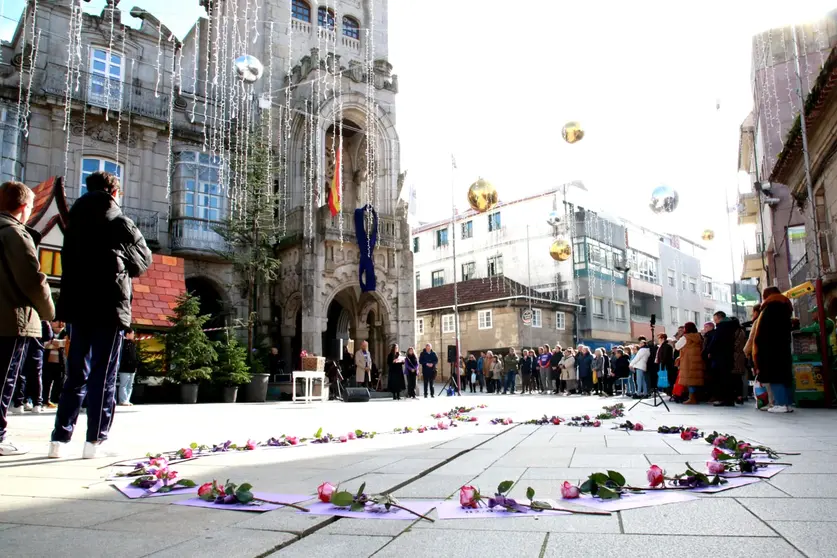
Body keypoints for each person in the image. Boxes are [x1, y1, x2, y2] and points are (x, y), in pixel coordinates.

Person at [49, 171, 151, 459]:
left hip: (78, 306)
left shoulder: (73, 222)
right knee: (104, 375)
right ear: (115, 192)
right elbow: (144, 260)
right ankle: (95, 441)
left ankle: (59, 439)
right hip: (109, 305)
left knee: (75, 373)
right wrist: (120, 258)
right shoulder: (119, 221)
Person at [0, 182, 56, 456]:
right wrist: (49, 313)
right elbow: (32, 279)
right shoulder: (14, 233)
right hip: (11, 319)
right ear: (24, 208)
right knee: (5, 379)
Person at [752, 286, 794, 413]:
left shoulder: (770, 308)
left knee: (775, 375)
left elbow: (764, 332)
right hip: (782, 347)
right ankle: (786, 403)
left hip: (771, 349)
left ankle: (780, 403)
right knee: (784, 376)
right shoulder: (784, 306)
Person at [11, 320, 53, 414]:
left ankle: (19, 403)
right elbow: (49, 336)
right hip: (37, 349)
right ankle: (37, 403)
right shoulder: (42, 320)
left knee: (21, 375)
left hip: (23, 347)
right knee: (37, 376)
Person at [703, 311, 737, 407]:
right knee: (727, 378)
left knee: (722, 378)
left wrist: (709, 351)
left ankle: (725, 399)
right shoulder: (731, 326)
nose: (715, 322)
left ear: (720, 318)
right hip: (728, 356)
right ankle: (729, 399)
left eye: (716, 320)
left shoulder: (722, 327)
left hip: (721, 357)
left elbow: (716, 341)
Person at [675, 322, 705, 405]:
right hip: (697, 360)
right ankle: (695, 397)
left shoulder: (686, 337)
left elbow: (677, 346)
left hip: (688, 361)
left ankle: (692, 398)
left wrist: (680, 337)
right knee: (694, 380)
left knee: (689, 380)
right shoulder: (699, 336)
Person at [43, 322, 66, 408]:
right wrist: (57, 344)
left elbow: (67, 343)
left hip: (61, 363)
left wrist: (56, 343)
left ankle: (56, 399)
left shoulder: (65, 332)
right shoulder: (47, 331)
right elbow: (44, 344)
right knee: (46, 382)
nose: (52, 322)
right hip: (48, 362)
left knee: (59, 382)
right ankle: (45, 400)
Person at [116, 331, 138, 406]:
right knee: (123, 384)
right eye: (132, 333)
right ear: (127, 334)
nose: (133, 335)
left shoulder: (133, 344)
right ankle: (123, 400)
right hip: (124, 367)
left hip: (132, 367)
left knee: (130, 385)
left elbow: (134, 356)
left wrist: (135, 366)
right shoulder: (123, 343)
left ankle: (127, 400)